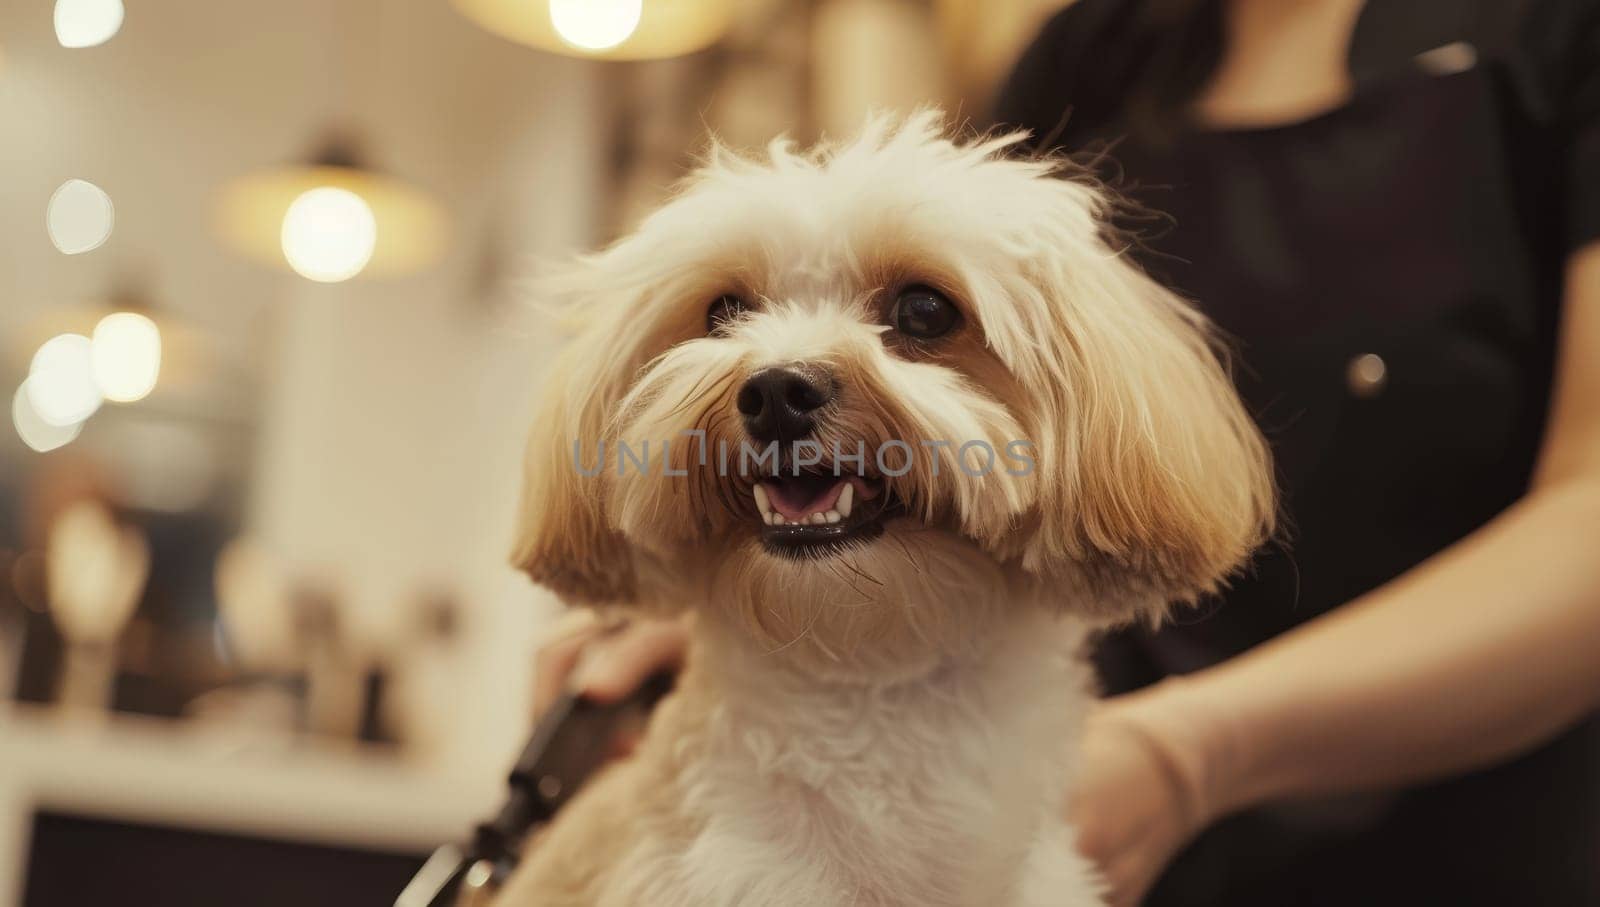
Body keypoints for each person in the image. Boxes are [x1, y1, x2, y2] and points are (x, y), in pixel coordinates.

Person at [532, 0, 1600, 902]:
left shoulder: (1548, 37)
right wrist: (745, 568)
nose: (778, 374)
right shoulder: (1088, 54)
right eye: (725, 315)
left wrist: (1186, 755)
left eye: (916, 312)